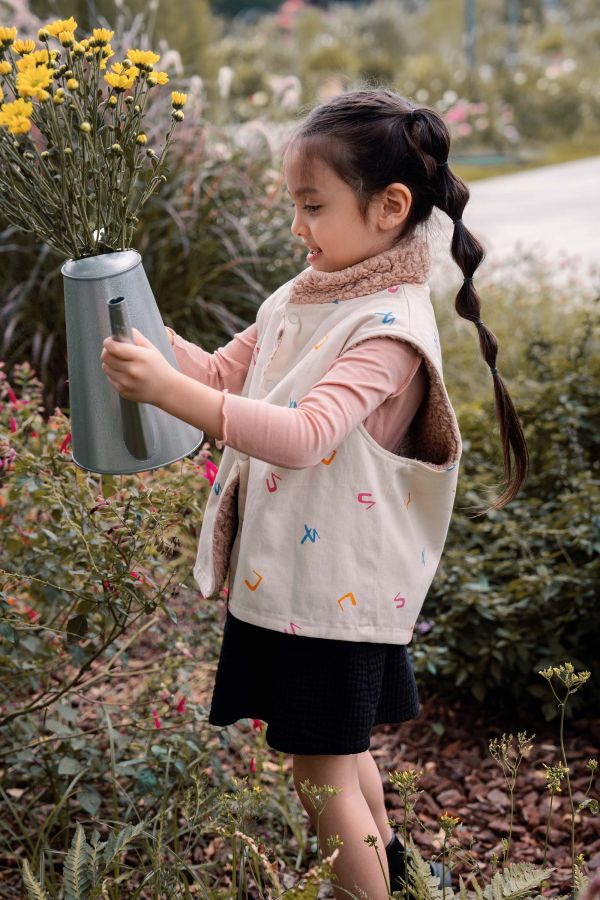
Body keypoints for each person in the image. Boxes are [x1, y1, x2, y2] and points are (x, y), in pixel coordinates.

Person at [101, 88, 529, 900]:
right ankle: (404, 879)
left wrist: (165, 393)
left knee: (318, 767)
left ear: (389, 207)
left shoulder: (389, 326)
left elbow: (305, 435)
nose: (298, 228)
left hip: (336, 592)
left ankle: (365, 894)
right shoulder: (310, 290)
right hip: (297, 584)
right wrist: (150, 344)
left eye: (312, 206)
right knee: (340, 751)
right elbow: (229, 373)